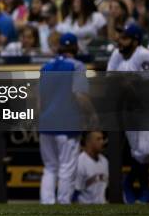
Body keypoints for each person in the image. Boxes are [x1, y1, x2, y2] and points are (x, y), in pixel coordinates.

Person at [106, 23, 149, 204]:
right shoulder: (117, 55)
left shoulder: (144, 55)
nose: (120, 41)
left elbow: (146, 87)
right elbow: (110, 80)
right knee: (137, 153)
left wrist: (126, 85)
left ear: (135, 41)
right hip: (129, 111)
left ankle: (128, 183)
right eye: (120, 37)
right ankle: (145, 192)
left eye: (125, 38)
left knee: (145, 151)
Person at [38, 33, 89, 204]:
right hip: (67, 123)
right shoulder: (78, 66)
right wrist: (93, 115)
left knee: (50, 167)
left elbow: (40, 99)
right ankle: (63, 203)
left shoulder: (46, 66)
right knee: (67, 167)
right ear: (75, 48)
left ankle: (47, 203)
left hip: (46, 123)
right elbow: (80, 95)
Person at [75, 131, 108, 204]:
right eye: (98, 139)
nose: (102, 142)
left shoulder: (105, 161)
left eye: (102, 139)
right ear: (88, 142)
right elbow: (75, 192)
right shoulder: (80, 162)